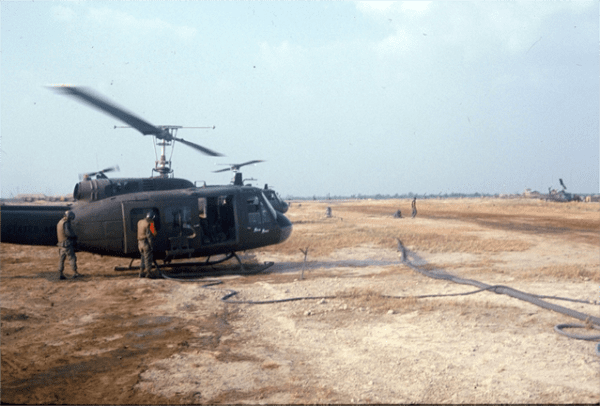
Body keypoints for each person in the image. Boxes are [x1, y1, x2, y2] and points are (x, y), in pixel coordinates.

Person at [57, 210, 82, 280]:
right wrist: (74, 235)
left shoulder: (60, 222)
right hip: (66, 244)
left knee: (61, 259)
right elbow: (68, 233)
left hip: (61, 244)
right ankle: (75, 272)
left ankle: (60, 273)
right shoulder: (66, 223)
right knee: (72, 258)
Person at [137, 211, 157, 278]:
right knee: (148, 259)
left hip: (140, 243)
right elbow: (150, 235)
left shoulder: (140, 222)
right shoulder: (150, 223)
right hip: (146, 243)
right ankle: (149, 273)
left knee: (142, 258)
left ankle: (141, 272)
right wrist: (151, 246)